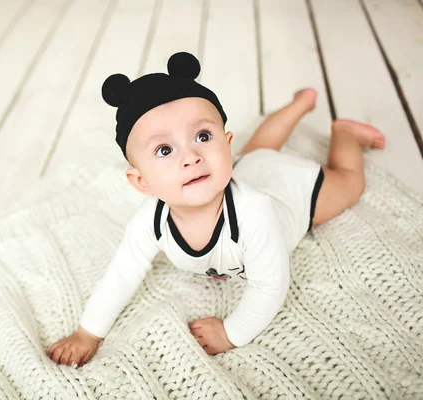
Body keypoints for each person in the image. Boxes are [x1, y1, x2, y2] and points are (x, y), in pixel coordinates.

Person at [47, 52, 386, 368]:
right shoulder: (150, 223)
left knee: (348, 182)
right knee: (257, 153)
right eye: (164, 150)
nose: (190, 156)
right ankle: (299, 105)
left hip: (292, 193)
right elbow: (121, 273)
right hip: (250, 167)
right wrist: (88, 332)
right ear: (141, 182)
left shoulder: (255, 212)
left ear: (226, 143)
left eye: (203, 136)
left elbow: (271, 286)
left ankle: (344, 134)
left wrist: (231, 332)